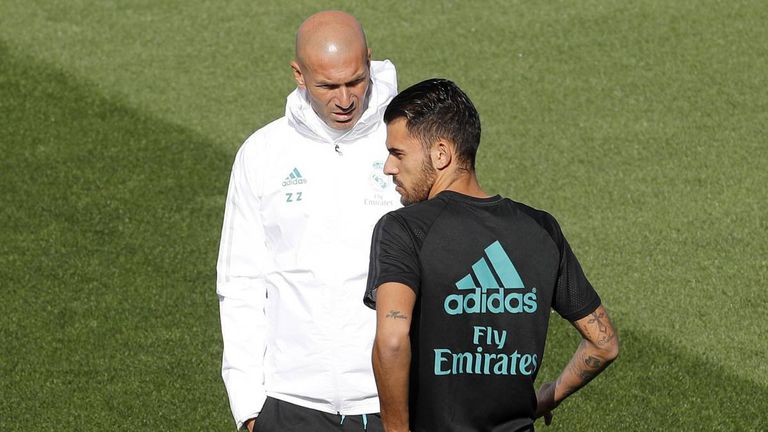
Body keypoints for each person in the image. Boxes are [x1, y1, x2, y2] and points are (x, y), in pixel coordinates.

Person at [364, 78, 619, 432]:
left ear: (441, 153)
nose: (388, 167)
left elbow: (392, 341)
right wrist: (547, 397)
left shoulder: (404, 229)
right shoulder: (541, 229)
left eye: (398, 153)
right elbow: (604, 344)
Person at [216, 10, 401, 432]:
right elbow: (240, 281)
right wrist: (249, 408)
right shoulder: (262, 153)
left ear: (369, 61)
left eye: (356, 80)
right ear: (299, 75)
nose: (345, 99)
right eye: (328, 86)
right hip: (290, 403)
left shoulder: (406, 144)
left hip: (391, 400)